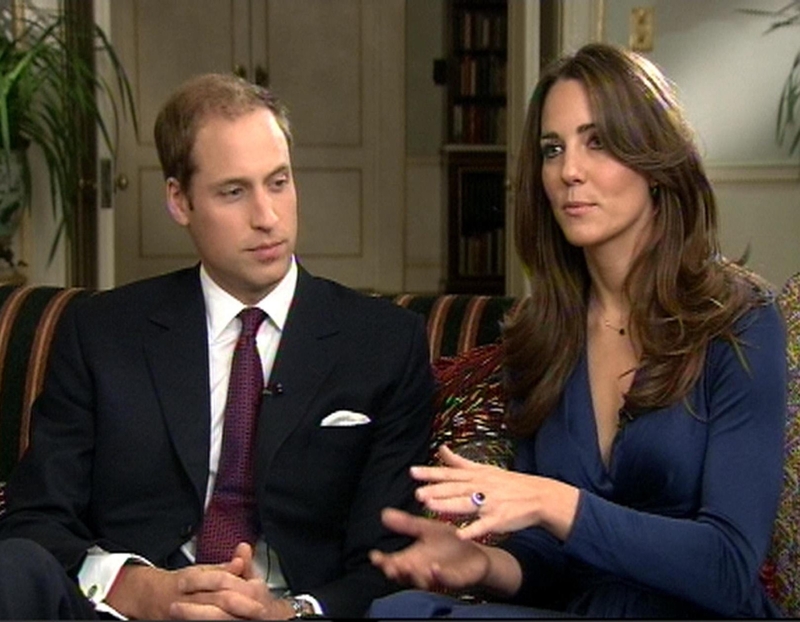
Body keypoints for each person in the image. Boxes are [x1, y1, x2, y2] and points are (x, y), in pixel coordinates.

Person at [368, 42, 787, 619]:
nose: (569, 171)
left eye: (598, 142)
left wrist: (555, 502)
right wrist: (484, 567)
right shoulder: (540, 338)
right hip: (585, 610)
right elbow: (550, 562)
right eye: (552, 149)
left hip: (697, 611)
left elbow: (730, 566)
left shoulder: (737, 321)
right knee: (401, 612)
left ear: (655, 162)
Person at [0, 73, 435, 619]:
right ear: (179, 201)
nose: (267, 217)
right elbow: (35, 519)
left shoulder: (384, 342)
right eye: (234, 191)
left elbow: (390, 558)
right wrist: (142, 592)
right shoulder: (101, 332)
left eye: (278, 182)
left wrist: (289, 613)